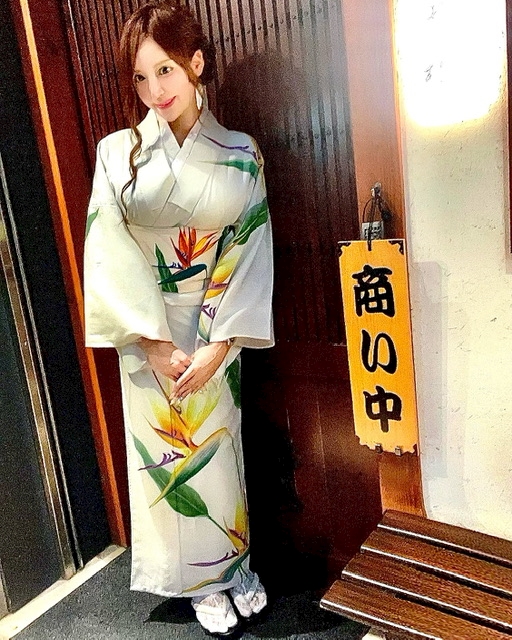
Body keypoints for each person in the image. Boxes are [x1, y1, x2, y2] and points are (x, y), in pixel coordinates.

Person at [83, 1, 273, 635]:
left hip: (217, 327)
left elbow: (247, 241)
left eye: (164, 70)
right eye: (140, 78)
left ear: (195, 63)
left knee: (220, 453)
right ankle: (197, 584)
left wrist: (219, 343)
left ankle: (233, 564)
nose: (154, 91)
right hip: (149, 334)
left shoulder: (240, 152)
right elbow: (108, 250)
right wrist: (153, 341)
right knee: (166, 462)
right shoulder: (117, 155)